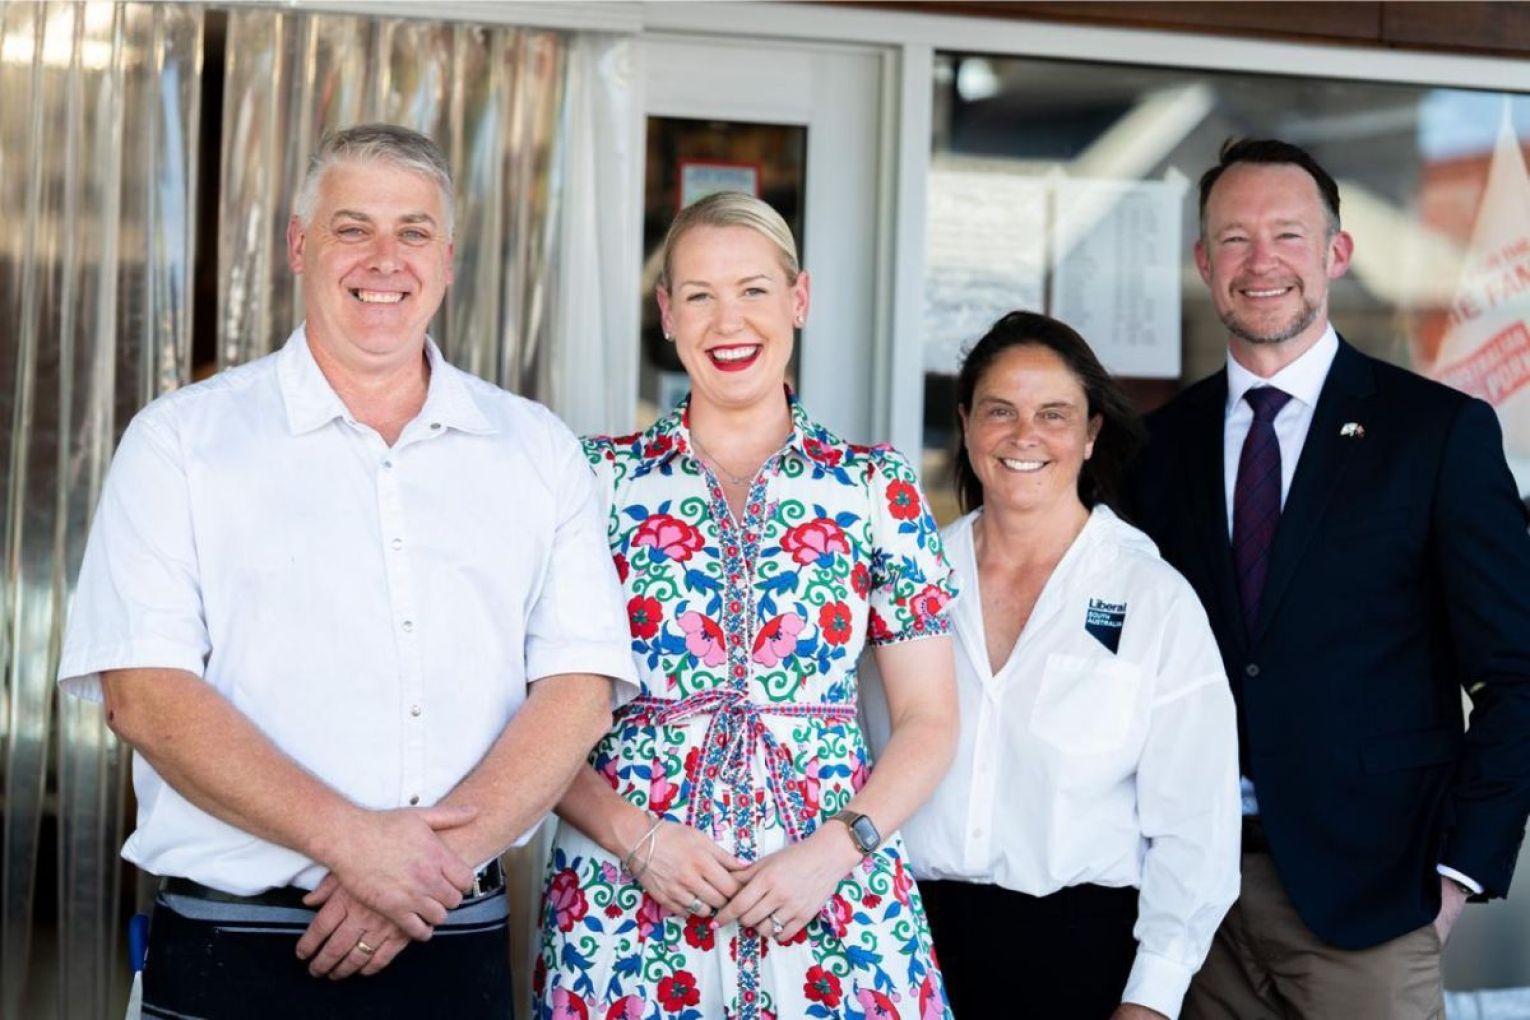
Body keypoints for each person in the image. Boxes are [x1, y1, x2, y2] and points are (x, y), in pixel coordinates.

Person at [57, 124, 636, 1018]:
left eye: (412, 232)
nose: (384, 259)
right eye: (351, 227)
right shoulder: (179, 441)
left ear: (446, 259)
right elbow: (146, 692)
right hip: (231, 950)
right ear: (298, 246)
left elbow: (578, 691)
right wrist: (354, 845)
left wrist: (412, 871)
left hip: (455, 941)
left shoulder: (536, 448)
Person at [1129, 138, 1530, 1019]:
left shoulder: (1437, 435)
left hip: (1373, 902)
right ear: (1203, 263)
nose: (1260, 261)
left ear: (1336, 255)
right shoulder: (1154, 450)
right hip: (1183, 899)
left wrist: (1459, 872)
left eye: (1288, 235)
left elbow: (1517, 673)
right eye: (1234, 239)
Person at [534, 192, 959, 1020]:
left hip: (832, 895)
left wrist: (836, 853)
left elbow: (930, 721)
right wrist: (639, 841)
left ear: (799, 299)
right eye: (698, 294)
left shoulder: (877, 487)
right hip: (624, 901)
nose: (728, 319)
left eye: (754, 289)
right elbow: (530, 711)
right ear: (666, 313)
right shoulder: (589, 482)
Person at [862, 311, 1240, 1020]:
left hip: (1080, 963)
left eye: (1054, 414)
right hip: (900, 948)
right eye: (1000, 410)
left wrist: (1149, 1001)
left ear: (1092, 433)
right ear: (967, 424)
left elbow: (1197, 830)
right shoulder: (910, 582)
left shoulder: (1151, 596)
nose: (1024, 435)